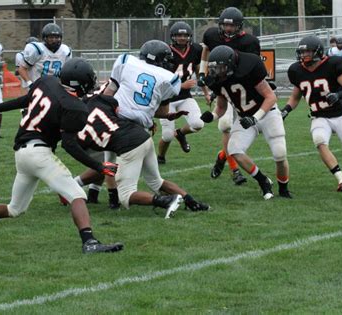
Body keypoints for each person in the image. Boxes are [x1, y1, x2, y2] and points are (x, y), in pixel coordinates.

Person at [0, 58, 124, 254]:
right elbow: (70, 144)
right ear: (81, 82)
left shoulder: (46, 81)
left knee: (15, 209)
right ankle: (90, 242)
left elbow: (23, 101)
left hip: (22, 154)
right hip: (39, 154)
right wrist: (100, 167)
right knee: (77, 196)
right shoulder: (76, 108)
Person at [102, 40, 209, 212]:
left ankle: (162, 201)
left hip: (120, 127)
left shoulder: (125, 61)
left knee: (116, 175)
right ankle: (192, 202)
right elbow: (163, 111)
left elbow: (108, 94)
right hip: (142, 132)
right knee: (155, 181)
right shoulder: (169, 78)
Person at [202, 45, 291, 200]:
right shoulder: (217, 81)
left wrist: (255, 118)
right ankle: (263, 181)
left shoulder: (249, 66)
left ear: (230, 65)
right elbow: (221, 107)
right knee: (234, 149)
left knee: (279, 153)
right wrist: (213, 116)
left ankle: (283, 189)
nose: (217, 72)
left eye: (220, 68)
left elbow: (271, 97)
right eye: (214, 68)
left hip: (267, 113)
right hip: (244, 118)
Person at [282, 35, 342, 191]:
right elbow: (295, 96)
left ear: (317, 52)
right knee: (319, 140)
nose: (304, 55)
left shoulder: (333, 64)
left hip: (340, 114)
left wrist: (338, 95)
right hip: (319, 116)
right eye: (302, 52)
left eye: (308, 52)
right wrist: (285, 110)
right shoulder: (297, 70)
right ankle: (341, 179)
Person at [198, 7, 260, 185]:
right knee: (225, 125)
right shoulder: (212, 36)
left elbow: (254, 65)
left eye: (231, 26)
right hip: (223, 87)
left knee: (240, 131)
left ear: (239, 26)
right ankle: (235, 170)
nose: (228, 29)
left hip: (242, 90)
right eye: (225, 25)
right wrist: (203, 73)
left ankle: (222, 156)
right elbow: (206, 51)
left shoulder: (249, 42)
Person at [156, 21, 207, 164]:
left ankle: (180, 133)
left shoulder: (195, 49)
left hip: (185, 98)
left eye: (185, 35)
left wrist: (206, 92)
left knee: (198, 123)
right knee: (166, 136)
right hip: (167, 100)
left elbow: (198, 71)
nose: (182, 38)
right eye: (179, 35)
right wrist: (181, 85)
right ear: (173, 36)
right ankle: (161, 156)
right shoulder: (166, 52)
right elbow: (161, 80)